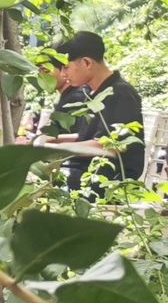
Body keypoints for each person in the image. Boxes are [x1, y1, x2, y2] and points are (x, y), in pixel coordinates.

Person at [49, 30, 148, 190]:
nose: (62, 74)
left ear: (87, 63)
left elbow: (109, 146)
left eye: (65, 67)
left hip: (107, 184)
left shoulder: (119, 93)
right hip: (82, 176)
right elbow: (87, 137)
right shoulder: (94, 93)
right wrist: (49, 140)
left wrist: (50, 150)